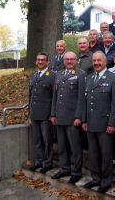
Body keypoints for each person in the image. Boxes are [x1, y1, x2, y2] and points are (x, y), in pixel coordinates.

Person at [82, 51, 115, 194]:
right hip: (91, 123)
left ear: (105, 62)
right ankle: (95, 178)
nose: (96, 63)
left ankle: (106, 181)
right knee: (93, 153)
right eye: (94, 61)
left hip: (105, 124)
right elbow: (85, 102)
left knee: (106, 154)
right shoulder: (89, 78)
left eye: (99, 60)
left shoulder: (114, 78)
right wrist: (85, 120)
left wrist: (112, 123)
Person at [50, 52, 86, 184]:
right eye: (67, 59)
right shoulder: (59, 74)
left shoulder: (81, 74)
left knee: (75, 147)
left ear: (76, 60)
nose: (69, 61)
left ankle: (77, 172)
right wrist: (53, 114)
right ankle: (65, 168)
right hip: (60, 116)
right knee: (62, 146)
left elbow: (81, 98)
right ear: (63, 61)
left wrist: (78, 117)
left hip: (72, 118)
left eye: (72, 59)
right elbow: (55, 95)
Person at [28, 52, 56, 174]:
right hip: (34, 113)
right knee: (37, 139)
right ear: (36, 61)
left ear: (47, 62)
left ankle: (47, 162)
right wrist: (29, 109)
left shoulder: (52, 76)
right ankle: (39, 161)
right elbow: (30, 95)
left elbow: (54, 96)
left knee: (46, 139)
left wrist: (53, 112)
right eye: (38, 60)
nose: (40, 62)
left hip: (46, 113)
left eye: (43, 60)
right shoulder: (33, 75)